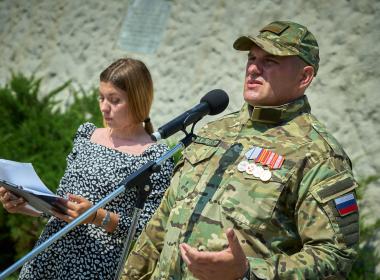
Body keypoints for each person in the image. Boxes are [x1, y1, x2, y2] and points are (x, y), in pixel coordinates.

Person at [122, 21, 359, 279]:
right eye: (252, 58)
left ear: (304, 77)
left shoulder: (318, 155)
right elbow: (164, 219)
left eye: (270, 61)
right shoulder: (215, 131)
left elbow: (335, 256)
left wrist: (248, 273)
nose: (254, 68)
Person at [0, 57, 174, 279]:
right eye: (101, 97)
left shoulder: (155, 158)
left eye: (114, 100)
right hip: (46, 256)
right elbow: (61, 207)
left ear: (138, 101)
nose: (104, 107)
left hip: (93, 267)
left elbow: (150, 231)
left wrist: (96, 216)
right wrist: (24, 204)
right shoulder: (87, 135)